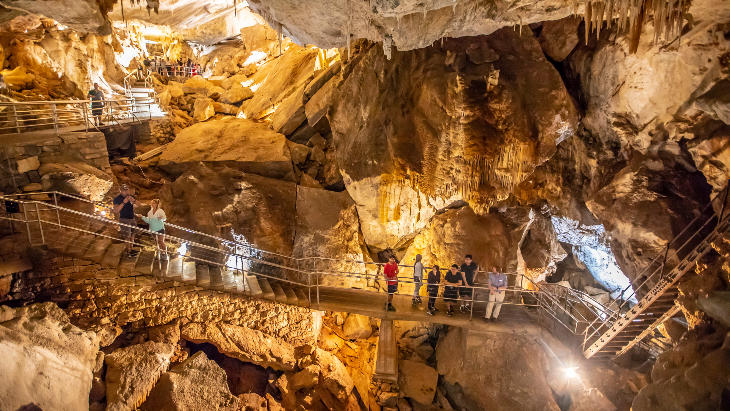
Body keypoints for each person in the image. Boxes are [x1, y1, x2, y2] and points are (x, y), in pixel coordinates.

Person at [113, 184, 139, 257]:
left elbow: (139, 204)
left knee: (132, 235)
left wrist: (134, 200)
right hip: (124, 219)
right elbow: (116, 210)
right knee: (127, 236)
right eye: (124, 190)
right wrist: (124, 202)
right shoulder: (117, 199)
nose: (126, 191)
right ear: (120, 191)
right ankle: (128, 251)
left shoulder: (131, 197)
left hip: (132, 218)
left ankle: (131, 248)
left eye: (127, 190)